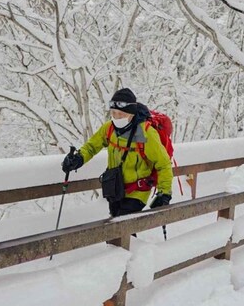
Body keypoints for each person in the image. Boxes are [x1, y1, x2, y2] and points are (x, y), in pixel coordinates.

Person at [61, 88, 173, 217]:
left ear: (131, 113)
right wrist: (78, 158)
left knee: (120, 226)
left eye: (121, 114)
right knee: (117, 226)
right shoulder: (109, 128)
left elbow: (163, 163)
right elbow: (92, 146)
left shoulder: (146, 132)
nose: (117, 117)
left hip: (137, 191)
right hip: (115, 188)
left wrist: (164, 193)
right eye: (114, 113)